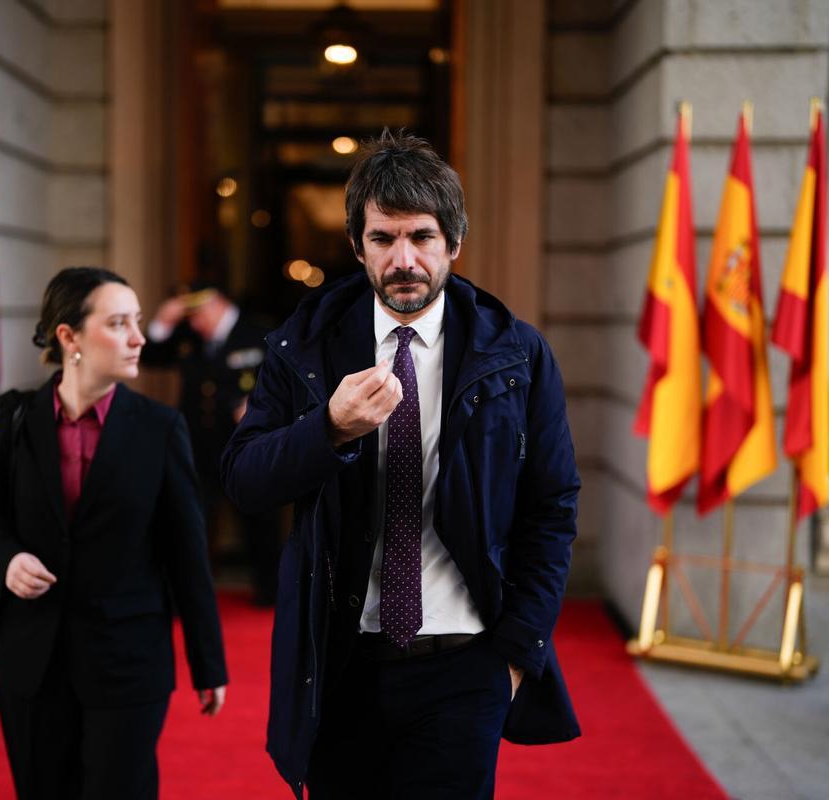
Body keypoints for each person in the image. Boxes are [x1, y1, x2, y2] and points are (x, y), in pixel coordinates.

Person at [221, 132, 581, 799]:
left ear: (454, 242)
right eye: (383, 239)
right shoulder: (305, 346)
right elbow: (244, 479)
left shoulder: (517, 354)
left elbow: (552, 507)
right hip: (341, 665)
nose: (404, 259)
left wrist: (513, 656)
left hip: (465, 667)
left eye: (422, 236)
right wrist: (327, 429)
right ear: (357, 246)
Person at [0, 267, 228, 799]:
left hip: (127, 660)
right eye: (118, 323)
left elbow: (185, 552)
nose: (138, 338)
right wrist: (7, 561)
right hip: (32, 661)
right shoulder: (15, 418)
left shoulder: (159, 428)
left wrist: (207, 662)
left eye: (138, 322)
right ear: (70, 336)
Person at [141, 283, 280, 605]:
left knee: (259, 521)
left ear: (216, 304)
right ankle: (187, 594)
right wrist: (163, 320)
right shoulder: (189, 338)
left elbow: (286, 380)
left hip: (246, 445)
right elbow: (150, 357)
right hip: (199, 447)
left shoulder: (258, 333)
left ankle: (270, 592)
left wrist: (261, 405)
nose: (192, 322)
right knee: (191, 521)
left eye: (196, 312)